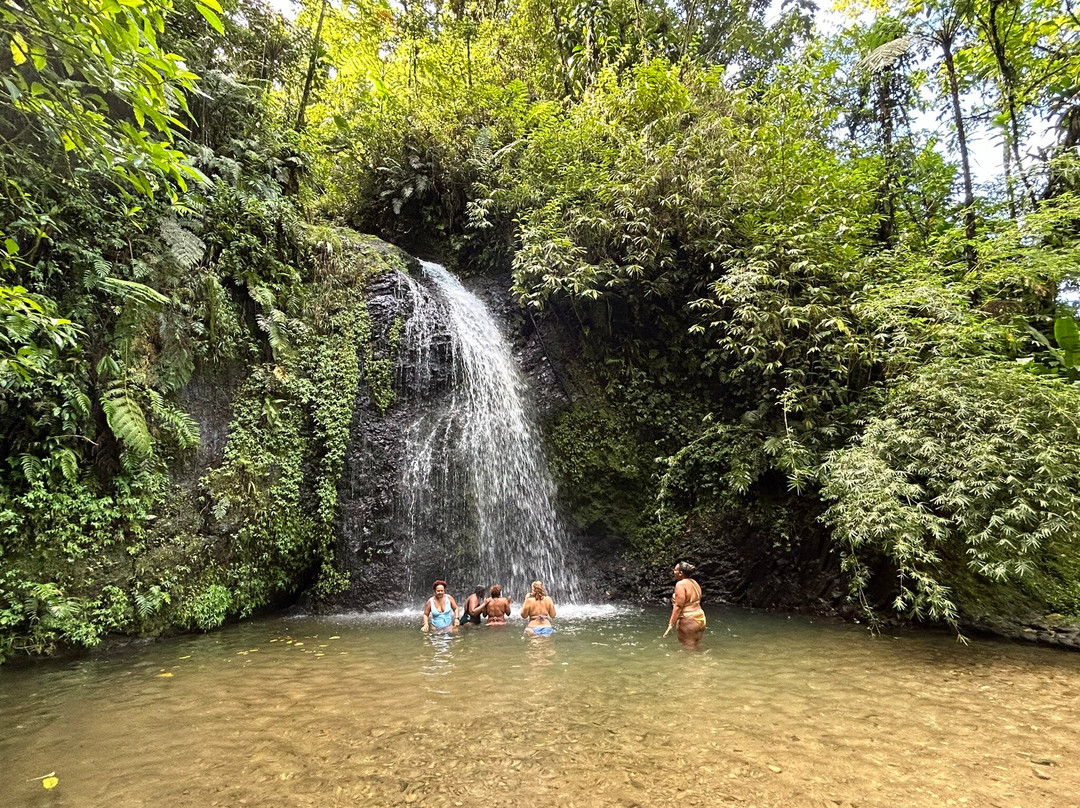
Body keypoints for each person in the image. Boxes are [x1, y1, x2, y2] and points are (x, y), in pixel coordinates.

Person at [663, 561, 706, 648]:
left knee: (688, 648)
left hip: (688, 619)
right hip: (700, 617)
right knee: (697, 645)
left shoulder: (681, 584)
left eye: (675, 570)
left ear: (680, 573)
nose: (673, 572)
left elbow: (678, 606)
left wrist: (671, 624)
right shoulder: (694, 582)